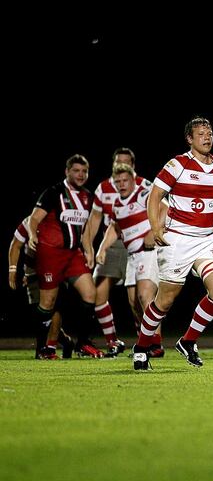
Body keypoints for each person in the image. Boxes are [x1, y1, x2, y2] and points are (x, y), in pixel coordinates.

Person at [131, 117, 213, 370]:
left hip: (207, 239)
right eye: (201, 134)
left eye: (210, 133)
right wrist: (155, 226)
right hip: (177, 239)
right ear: (189, 139)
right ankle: (141, 348)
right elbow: (155, 195)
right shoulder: (177, 164)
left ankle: (188, 341)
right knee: (165, 301)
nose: (207, 137)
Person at [27, 154, 105, 358]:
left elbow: (86, 228)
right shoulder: (53, 193)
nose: (80, 175)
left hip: (73, 254)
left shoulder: (88, 196)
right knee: (48, 303)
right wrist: (31, 235)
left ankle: (83, 343)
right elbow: (34, 219)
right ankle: (42, 349)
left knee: (90, 294)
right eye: (76, 171)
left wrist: (89, 250)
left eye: (84, 171)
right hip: (50, 254)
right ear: (67, 172)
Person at [84, 147, 149, 357]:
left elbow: (161, 208)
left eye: (126, 161)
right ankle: (113, 342)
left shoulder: (143, 185)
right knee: (97, 293)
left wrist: (155, 233)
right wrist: (91, 248)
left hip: (139, 245)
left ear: (133, 166)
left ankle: (146, 342)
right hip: (112, 244)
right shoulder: (104, 188)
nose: (122, 164)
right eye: (118, 161)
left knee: (140, 298)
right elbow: (96, 220)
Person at [96, 162, 163, 357]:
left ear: (133, 179)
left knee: (145, 296)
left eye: (125, 180)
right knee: (134, 302)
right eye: (118, 182)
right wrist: (103, 248)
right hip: (132, 255)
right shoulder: (117, 204)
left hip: (148, 252)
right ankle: (147, 341)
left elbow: (165, 208)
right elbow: (115, 228)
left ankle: (156, 345)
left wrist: (154, 230)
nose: (122, 184)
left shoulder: (143, 194)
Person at [8, 217, 74, 358]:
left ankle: (47, 349)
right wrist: (13, 270)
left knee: (54, 309)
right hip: (33, 273)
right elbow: (15, 245)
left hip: (56, 270)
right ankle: (65, 341)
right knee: (41, 315)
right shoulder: (29, 222)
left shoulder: (62, 220)